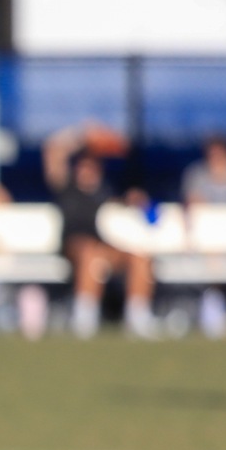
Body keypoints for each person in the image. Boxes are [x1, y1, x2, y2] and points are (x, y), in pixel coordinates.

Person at [44, 124, 154, 339]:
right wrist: (83, 134)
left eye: (92, 166)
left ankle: (138, 316)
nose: (87, 170)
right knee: (89, 253)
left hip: (106, 246)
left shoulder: (106, 191)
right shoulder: (66, 186)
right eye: (83, 165)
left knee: (139, 257)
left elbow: (117, 216)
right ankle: (85, 318)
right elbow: (53, 150)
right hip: (75, 247)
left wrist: (133, 202)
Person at [182, 134, 226, 338]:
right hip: (205, 242)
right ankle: (215, 305)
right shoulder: (196, 175)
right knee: (212, 249)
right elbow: (194, 205)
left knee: (221, 249)